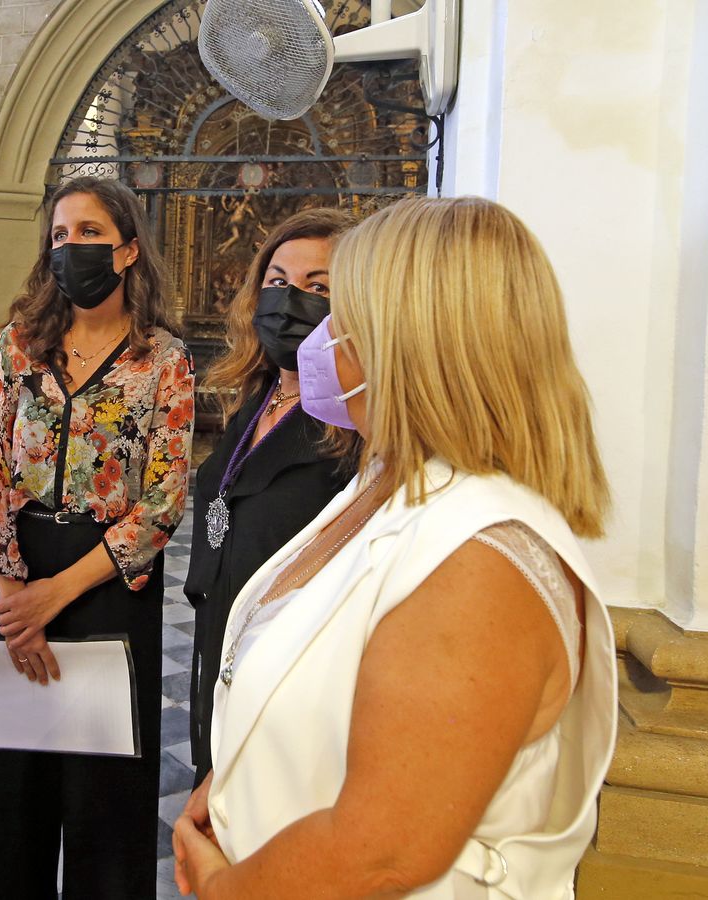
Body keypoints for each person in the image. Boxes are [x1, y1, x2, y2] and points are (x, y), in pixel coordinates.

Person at [172, 196, 617, 898]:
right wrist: (232, 779)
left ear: (412, 340)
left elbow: (379, 853)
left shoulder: (482, 563)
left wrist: (226, 886)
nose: (321, 339)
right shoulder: (388, 482)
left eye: (342, 312)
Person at [0, 176, 194, 899]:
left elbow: (162, 501)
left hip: (105, 581)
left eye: (89, 234)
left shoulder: (163, 359)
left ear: (127, 251)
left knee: (104, 787)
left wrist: (54, 597)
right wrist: (14, 598)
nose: (72, 249)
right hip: (15, 567)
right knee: (17, 778)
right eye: (60, 236)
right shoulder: (18, 346)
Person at [183, 209, 356, 783]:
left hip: (293, 674)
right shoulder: (255, 399)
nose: (290, 300)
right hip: (222, 642)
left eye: (318, 287)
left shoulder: (356, 427)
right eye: (278, 282)